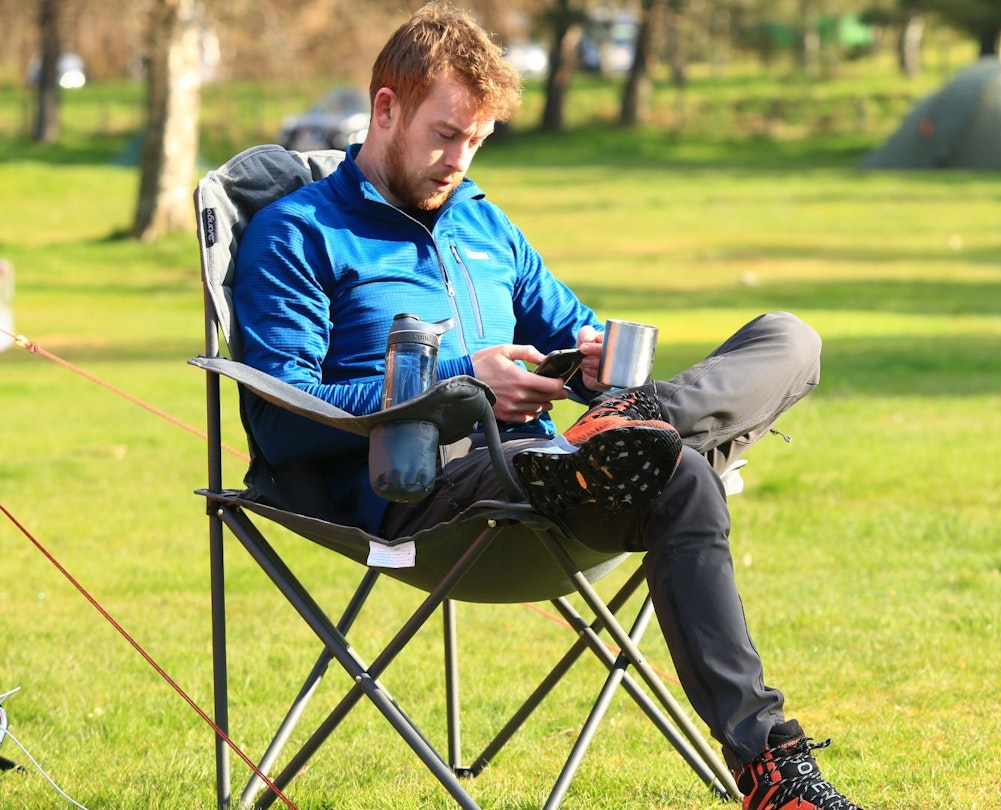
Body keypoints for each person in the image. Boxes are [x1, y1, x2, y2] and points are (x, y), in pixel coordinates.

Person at [232, 4, 865, 809]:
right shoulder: (299, 234)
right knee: (675, 476)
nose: (458, 160)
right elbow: (282, 414)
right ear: (385, 108)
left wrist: (600, 364)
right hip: (435, 492)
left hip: (563, 469)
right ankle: (774, 773)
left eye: (477, 142)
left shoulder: (484, 226)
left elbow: (572, 326)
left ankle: (639, 418)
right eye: (445, 134)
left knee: (789, 337)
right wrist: (462, 386)